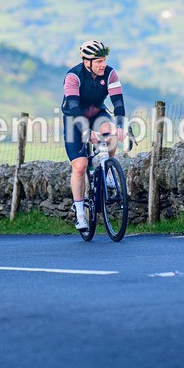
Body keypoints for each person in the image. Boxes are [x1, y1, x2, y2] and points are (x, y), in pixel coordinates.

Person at [61, 40, 126, 231]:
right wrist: (85, 131)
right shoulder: (73, 76)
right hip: (74, 119)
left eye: (104, 60)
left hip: (97, 113)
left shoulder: (110, 74)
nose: (103, 64)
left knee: (111, 130)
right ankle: (80, 214)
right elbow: (73, 107)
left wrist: (120, 125)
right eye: (98, 61)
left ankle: (108, 170)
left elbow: (118, 102)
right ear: (86, 62)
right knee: (80, 166)